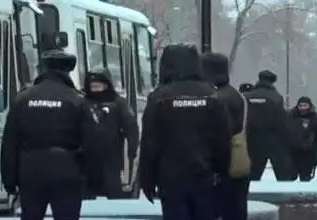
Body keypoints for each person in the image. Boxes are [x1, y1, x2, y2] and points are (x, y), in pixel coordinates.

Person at [0, 49, 101, 220]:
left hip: (30, 171)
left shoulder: (23, 99)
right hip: (67, 171)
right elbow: (92, 142)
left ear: (43, 69)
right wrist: (91, 180)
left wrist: (9, 179)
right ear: (67, 71)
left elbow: (10, 142)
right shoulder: (77, 100)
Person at [138, 44, 232, 220]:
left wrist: (147, 178)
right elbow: (222, 139)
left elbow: (150, 142)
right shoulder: (211, 95)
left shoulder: (160, 97)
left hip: (170, 178)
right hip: (204, 175)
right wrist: (221, 172)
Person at [202, 52, 251, 220]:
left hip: (224, 166)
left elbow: (219, 135)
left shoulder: (218, 99)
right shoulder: (236, 95)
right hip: (239, 163)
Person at [82, 68, 139, 198]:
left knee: (114, 193)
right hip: (86, 160)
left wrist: (132, 150)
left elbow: (131, 128)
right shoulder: (83, 104)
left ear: (107, 85)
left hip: (112, 160)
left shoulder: (118, 104)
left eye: (99, 86)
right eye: (93, 87)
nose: (96, 90)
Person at [244, 70, 295, 181]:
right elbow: (281, 121)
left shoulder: (248, 96)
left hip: (252, 139)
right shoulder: (276, 97)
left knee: (252, 175)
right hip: (273, 140)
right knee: (283, 175)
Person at [287, 96, 317, 182]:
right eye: (300, 105)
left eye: (305, 105)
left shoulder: (316, 119)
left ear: (309, 106)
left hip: (308, 153)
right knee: (289, 178)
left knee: (305, 178)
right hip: (292, 153)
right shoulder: (290, 117)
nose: (302, 108)